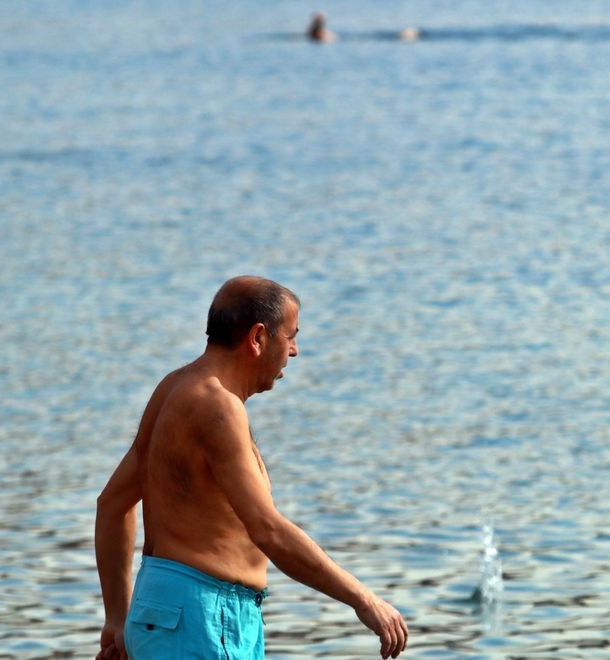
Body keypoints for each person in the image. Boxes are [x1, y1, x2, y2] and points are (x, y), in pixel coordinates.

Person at [94, 276, 408, 660]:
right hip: (203, 617)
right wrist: (363, 599)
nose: (293, 351)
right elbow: (268, 530)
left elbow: (112, 504)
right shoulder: (217, 406)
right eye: (290, 336)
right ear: (258, 338)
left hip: (170, 611)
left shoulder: (174, 388)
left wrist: (119, 617)